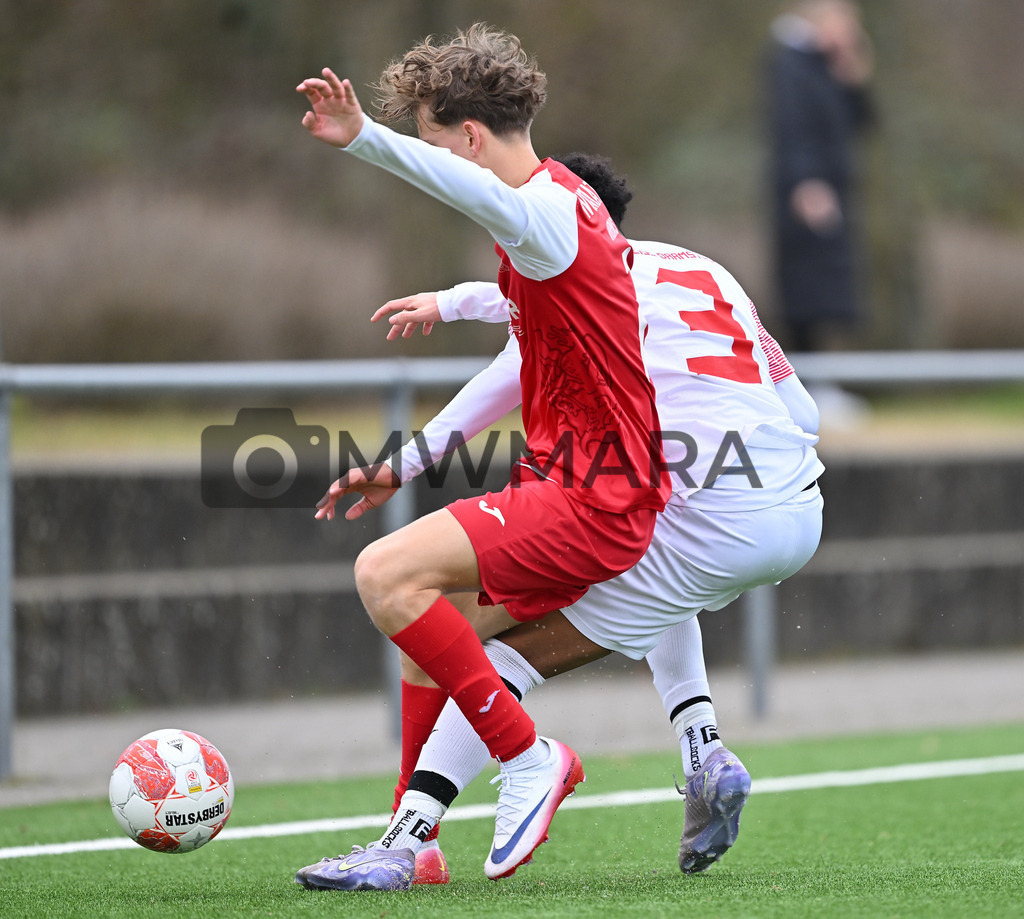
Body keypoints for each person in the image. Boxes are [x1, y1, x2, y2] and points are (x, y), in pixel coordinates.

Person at [296, 153, 824, 891]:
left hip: (708, 517)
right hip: (794, 499)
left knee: (496, 649)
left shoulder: (585, 295)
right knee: (655, 558)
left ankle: (411, 835)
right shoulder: (701, 267)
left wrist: (409, 460)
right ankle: (704, 752)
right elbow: (803, 411)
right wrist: (455, 302)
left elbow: (513, 361)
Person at [294, 25, 670, 890]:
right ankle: (410, 842)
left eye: (434, 138)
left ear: (468, 136)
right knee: (429, 639)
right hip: (580, 491)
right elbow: (514, 344)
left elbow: (464, 192)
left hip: (594, 502)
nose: (437, 159)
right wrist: (410, 458)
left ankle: (528, 757)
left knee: (385, 576)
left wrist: (364, 141)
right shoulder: (560, 203)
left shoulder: (535, 209)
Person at [765, 0, 875, 354]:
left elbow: (864, 124)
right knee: (805, 289)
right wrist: (806, 182)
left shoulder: (828, 66)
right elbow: (792, 128)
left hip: (833, 186)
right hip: (806, 191)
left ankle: (824, 376)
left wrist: (853, 78)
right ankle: (809, 378)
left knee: (830, 287)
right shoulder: (791, 63)